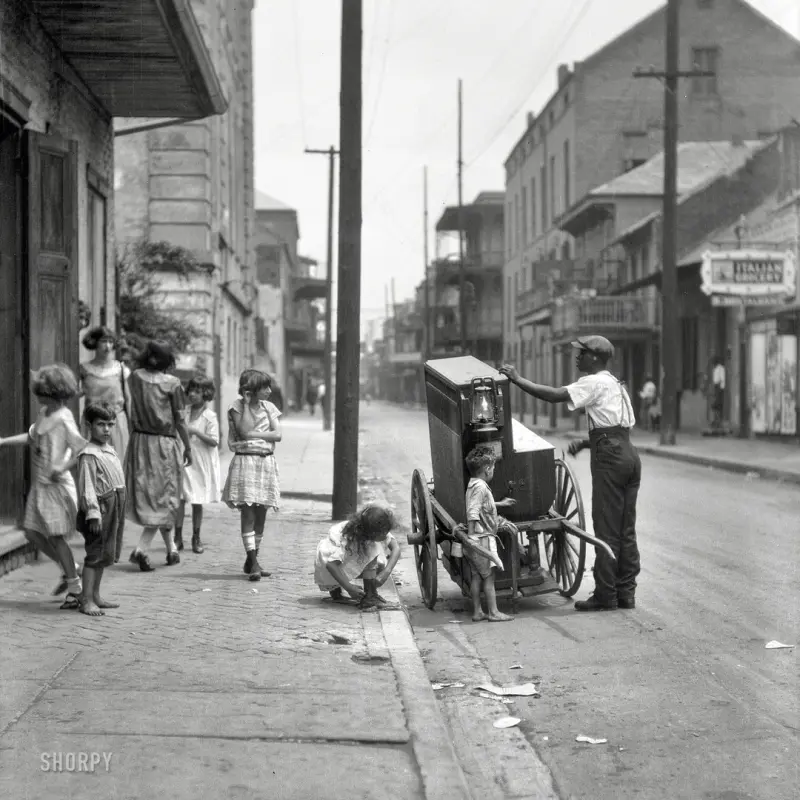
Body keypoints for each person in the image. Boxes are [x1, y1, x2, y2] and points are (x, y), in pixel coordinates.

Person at [500, 335, 641, 612]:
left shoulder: (594, 381)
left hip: (610, 458)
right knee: (626, 529)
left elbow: (554, 395)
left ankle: (605, 595)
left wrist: (517, 379)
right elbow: (620, 428)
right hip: (628, 455)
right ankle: (626, 593)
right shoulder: (616, 384)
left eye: (582, 353)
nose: (577, 357)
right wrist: (587, 442)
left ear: (595, 358)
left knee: (607, 527)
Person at [0, 364, 87, 608]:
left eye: (42, 392)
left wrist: (63, 466)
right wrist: (5, 441)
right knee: (31, 532)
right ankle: (70, 568)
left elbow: (82, 449)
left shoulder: (64, 418)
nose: (37, 396)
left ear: (56, 393)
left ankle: (75, 588)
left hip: (56, 488)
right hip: (41, 485)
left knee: (57, 538)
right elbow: (32, 437)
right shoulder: (45, 412)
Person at [125, 340, 192, 571]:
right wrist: (188, 446)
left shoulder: (134, 377)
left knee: (156, 498)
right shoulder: (172, 383)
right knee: (165, 499)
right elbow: (180, 419)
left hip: (140, 441)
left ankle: (172, 549)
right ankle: (141, 549)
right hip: (164, 445)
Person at [222, 369, 282, 581]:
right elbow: (243, 429)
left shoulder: (270, 408)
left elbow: (278, 434)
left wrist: (254, 435)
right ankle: (253, 560)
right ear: (250, 390)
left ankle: (252, 558)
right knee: (248, 513)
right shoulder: (237, 407)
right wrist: (247, 404)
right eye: (264, 387)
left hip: (265, 462)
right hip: (245, 461)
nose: (268, 390)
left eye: (268, 386)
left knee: (261, 514)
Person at [76, 402, 126, 616]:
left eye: (110, 424)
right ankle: (86, 599)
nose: (106, 429)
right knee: (94, 554)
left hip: (114, 506)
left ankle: (95, 594)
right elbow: (87, 487)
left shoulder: (109, 449)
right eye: (100, 424)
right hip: (100, 510)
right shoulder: (89, 454)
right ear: (89, 426)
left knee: (105, 553)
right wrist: (93, 513)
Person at [463, 445, 516, 622]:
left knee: (477, 576)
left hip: (476, 540)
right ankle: (493, 612)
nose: (493, 471)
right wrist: (472, 535)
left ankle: (477, 611)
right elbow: (473, 510)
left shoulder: (473, 485)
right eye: (493, 468)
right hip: (482, 539)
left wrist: (500, 504)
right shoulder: (482, 487)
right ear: (487, 469)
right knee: (489, 577)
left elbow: (484, 505)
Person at [314, 505, 400, 610]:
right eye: (383, 534)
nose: (385, 536)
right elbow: (331, 564)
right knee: (372, 551)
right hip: (327, 568)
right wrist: (349, 588)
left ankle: (337, 594)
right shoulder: (349, 537)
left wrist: (386, 572)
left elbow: (396, 548)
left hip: (332, 563)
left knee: (374, 556)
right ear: (372, 533)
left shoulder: (371, 526)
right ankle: (370, 597)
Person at [175, 376, 220, 554]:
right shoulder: (184, 412)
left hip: (200, 460)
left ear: (206, 394)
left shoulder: (210, 416)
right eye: (191, 391)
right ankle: (177, 536)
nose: (193, 395)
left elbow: (214, 441)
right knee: (180, 498)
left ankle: (196, 536)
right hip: (184, 458)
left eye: (198, 392)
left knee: (197, 500)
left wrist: (195, 431)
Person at [79, 326, 131, 460]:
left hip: (115, 423)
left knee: (116, 464)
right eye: (103, 341)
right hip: (92, 423)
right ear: (95, 342)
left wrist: (132, 426)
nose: (107, 346)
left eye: (110, 341)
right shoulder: (84, 369)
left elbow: (128, 400)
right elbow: (75, 393)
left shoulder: (120, 369)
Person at [710, 356, 726, 430]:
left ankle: (718, 421)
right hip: (716, 387)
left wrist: (720, 389)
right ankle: (716, 421)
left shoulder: (721, 369)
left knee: (717, 405)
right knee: (715, 406)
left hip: (719, 388)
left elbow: (722, 380)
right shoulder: (716, 369)